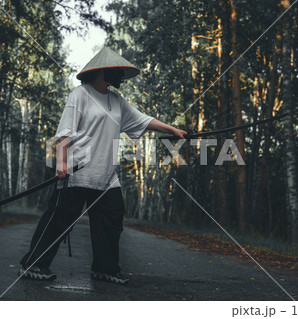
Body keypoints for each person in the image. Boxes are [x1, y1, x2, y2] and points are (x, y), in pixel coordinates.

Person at [18, 47, 186, 285]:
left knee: (112, 218)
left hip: (106, 175)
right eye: (115, 71)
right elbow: (66, 130)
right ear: (100, 72)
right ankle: (32, 266)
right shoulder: (79, 95)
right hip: (77, 173)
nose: (119, 76)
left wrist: (173, 130)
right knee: (59, 220)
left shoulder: (117, 101)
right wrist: (62, 161)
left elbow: (143, 120)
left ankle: (105, 269)